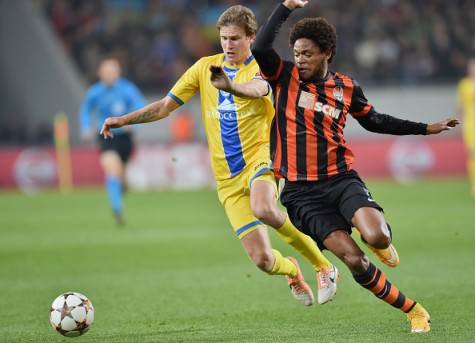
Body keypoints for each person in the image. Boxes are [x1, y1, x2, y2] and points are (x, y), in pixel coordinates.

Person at [100, 5, 339, 306]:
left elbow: (256, 90)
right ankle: (292, 270)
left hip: (261, 159)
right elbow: (164, 106)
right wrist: (123, 121)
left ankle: (324, 266)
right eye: (224, 38)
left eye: (235, 39)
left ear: (251, 37)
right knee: (263, 260)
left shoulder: (264, 67)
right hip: (226, 179)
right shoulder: (203, 68)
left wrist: (230, 86)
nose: (228, 45)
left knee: (264, 209)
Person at [252, 0, 460, 333]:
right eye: (296, 51)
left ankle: (381, 241)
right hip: (301, 194)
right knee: (354, 259)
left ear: (327, 53)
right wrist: (285, 7)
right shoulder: (283, 76)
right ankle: (414, 310)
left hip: (340, 179)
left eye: (307, 53)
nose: (300, 58)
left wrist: (425, 128)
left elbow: (375, 121)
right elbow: (260, 46)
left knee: (375, 236)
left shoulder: (346, 88)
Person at [80, 58, 146, 225]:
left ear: (118, 73)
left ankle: (121, 188)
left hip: (125, 138)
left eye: (113, 71)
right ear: (100, 74)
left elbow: (140, 105)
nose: (110, 75)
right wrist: (85, 127)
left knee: (122, 180)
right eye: (107, 72)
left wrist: (133, 124)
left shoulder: (127, 89)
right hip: (106, 135)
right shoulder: (94, 92)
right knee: (112, 170)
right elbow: (86, 110)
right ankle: (117, 209)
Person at [457, 58, 475, 198]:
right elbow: (461, 106)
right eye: (471, 67)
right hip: (470, 122)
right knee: (472, 153)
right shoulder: (464, 84)